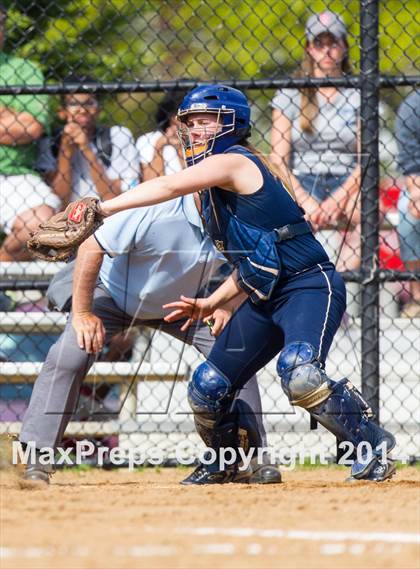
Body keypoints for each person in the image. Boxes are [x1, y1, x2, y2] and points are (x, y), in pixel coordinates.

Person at [91, 84, 396, 484]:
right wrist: (215, 300)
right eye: (191, 123)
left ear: (233, 124)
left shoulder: (235, 162)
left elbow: (166, 186)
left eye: (206, 122)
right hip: (265, 295)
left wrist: (101, 208)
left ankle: (369, 443)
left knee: (299, 372)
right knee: (207, 386)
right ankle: (225, 460)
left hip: (309, 285)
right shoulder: (213, 193)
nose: (195, 130)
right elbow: (258, 257)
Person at [19, 191, 281, 485]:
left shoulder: (237, 218)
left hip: (184, 301)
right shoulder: (157, 208)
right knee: (69, 354)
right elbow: (92, 247)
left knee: (237, 353)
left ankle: (254, 457)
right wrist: (82, 314)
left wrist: (228, 304)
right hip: (113, 295)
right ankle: (37, 459)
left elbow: (256, 263)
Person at [271, 11, 360, 272]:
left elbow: (369, 158)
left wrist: (338, 200)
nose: (327, 50)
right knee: (280, 217)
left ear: (344, 46)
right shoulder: (291, 92)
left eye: (334, 43)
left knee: (370, 216)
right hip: (303, 179)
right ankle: (307, 278)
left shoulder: (357, 93)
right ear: (309, 48)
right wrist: (306, 201)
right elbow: (278, 159)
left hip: (346, 182)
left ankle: (338, 277)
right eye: (319, 43)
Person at [0, 3, 61, 261]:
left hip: (13, 175)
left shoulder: (24, 69)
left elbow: (30, 127)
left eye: (1, 23)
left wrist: (17, 122)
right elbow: (16, 126)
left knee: (41, 225)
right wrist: (8, 112)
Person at [37, 75, 139, 206]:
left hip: (109, 215)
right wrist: (65, 153)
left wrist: (87, 150)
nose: (82, 110)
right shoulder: (50, 142)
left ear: (98, 110)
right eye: (73, 103)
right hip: (67, 220)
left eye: (89, 103)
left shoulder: (117, 135)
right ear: (62, 112)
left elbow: (116, 200)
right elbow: (59, 203)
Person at [395, 90, 420, 318]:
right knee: (409, 217)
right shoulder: (412, 105)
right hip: (418, 181)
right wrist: (416, 194)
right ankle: (417, 295)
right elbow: (410, 162)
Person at [136, 91, 186, 180]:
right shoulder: (148, 140)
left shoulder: (203, 138)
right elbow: (150, 184)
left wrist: (180, 150)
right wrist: (159, 146)